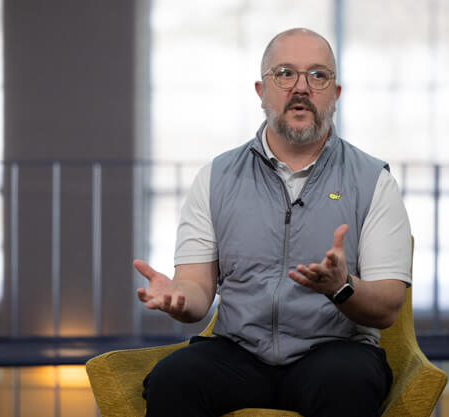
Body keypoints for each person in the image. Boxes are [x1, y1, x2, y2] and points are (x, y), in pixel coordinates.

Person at [134, 27, 412, 417]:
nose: (301, 87)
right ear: (261, 91)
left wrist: (341, 287)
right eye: (284, 73)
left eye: (318, 75)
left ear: (335, 94)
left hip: (334, 353)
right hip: (239, 352)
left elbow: (387, 306)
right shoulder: (216, 178)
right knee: (173, 379)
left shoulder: (373, 182)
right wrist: (179, 301)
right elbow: (196, 289)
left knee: (346, 383)